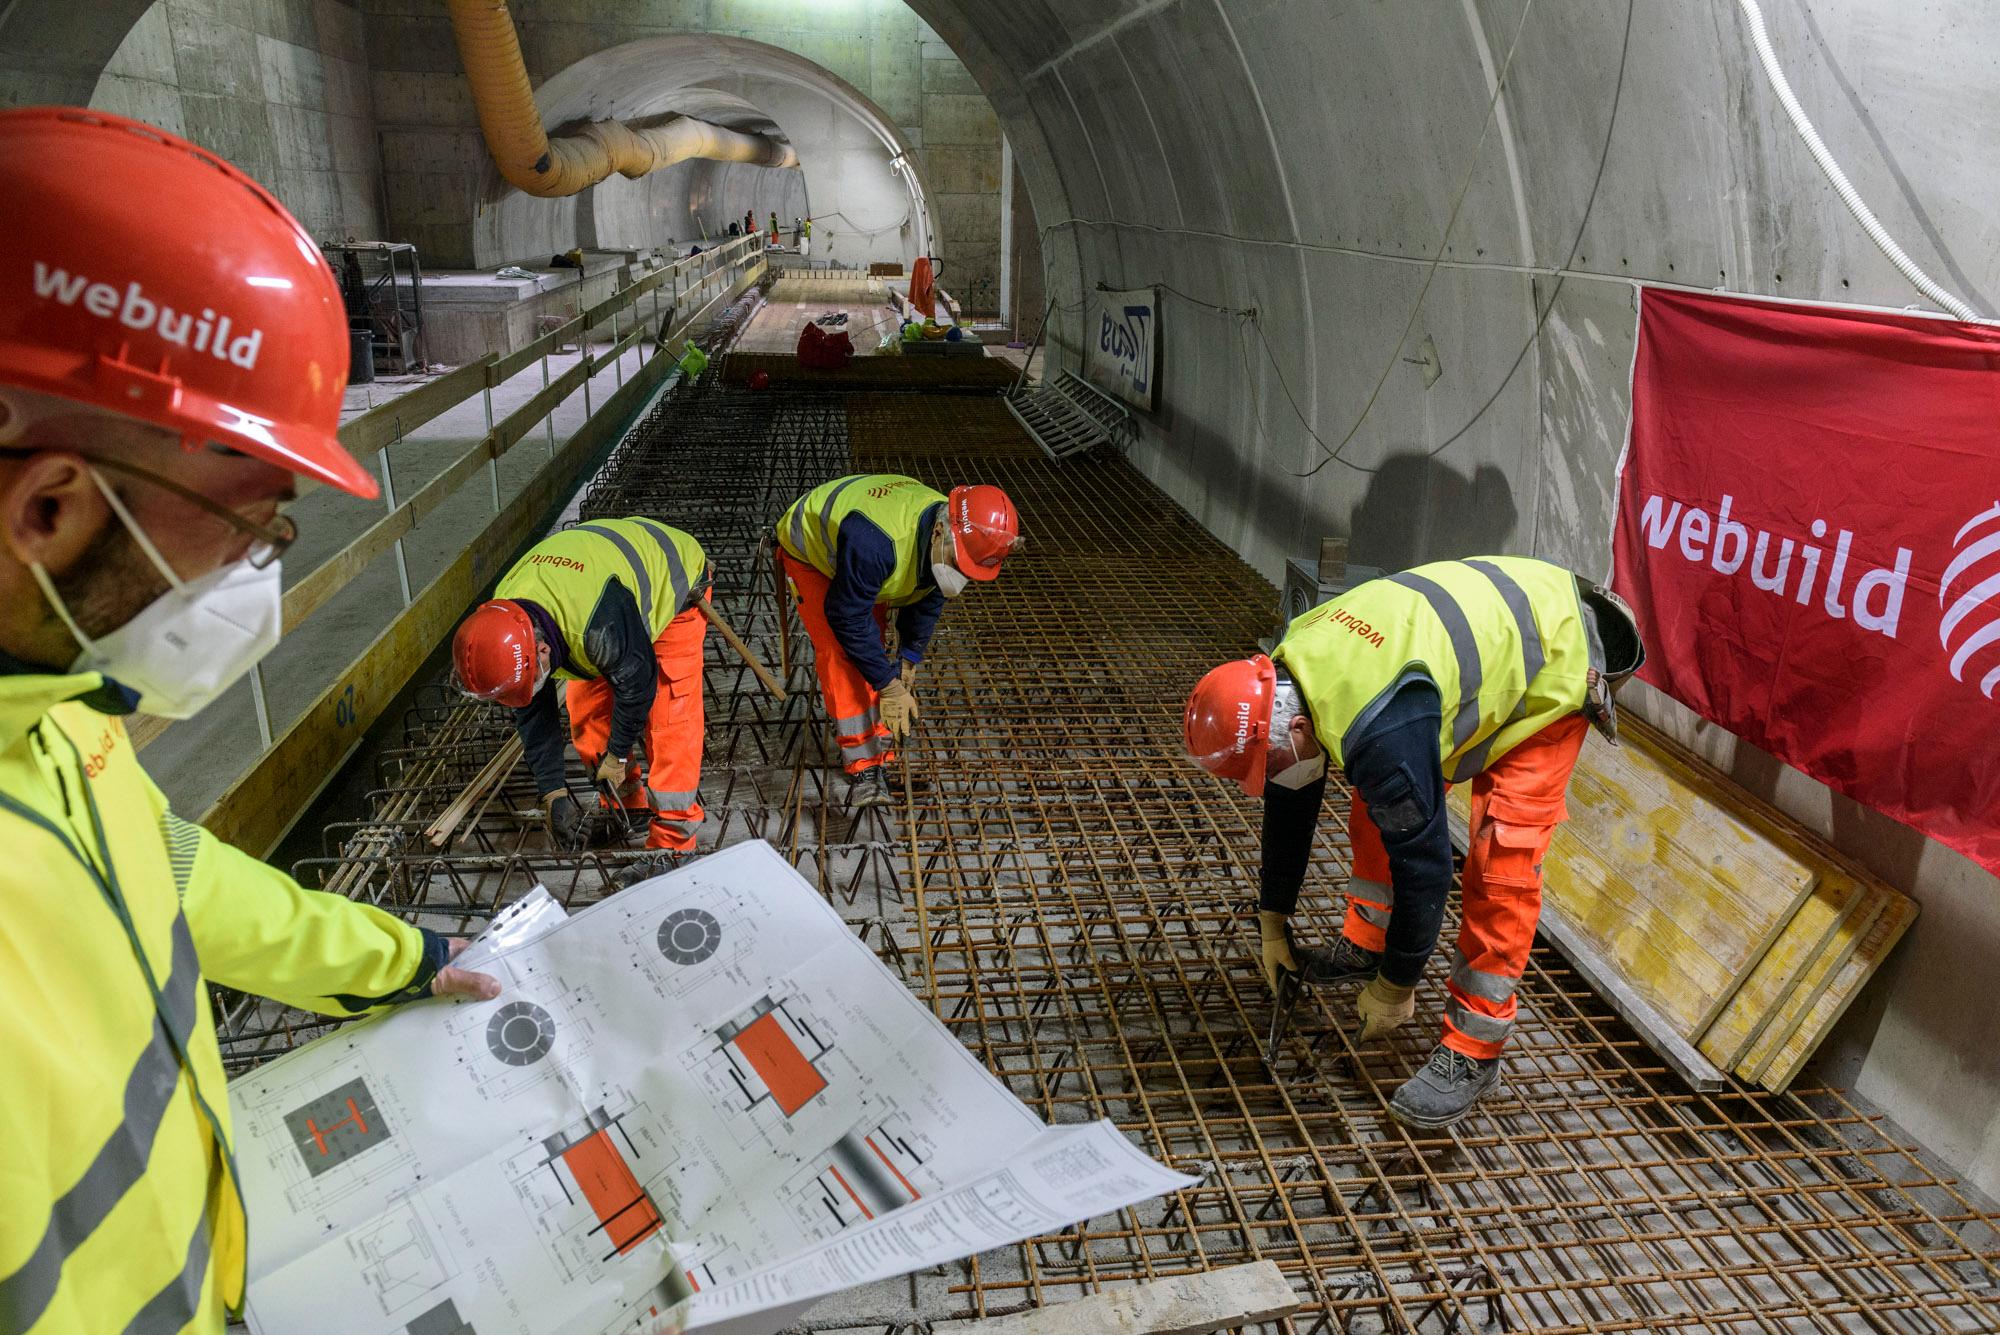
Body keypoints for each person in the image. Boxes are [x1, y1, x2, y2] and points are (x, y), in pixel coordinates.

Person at [0, 107, 500, 1335]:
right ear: (49, 510)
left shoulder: (54, 722)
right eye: (252, 520)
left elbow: (171, 879)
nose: (256, 569)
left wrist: (400, 962)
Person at [1183, 556, 1644, 1128]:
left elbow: (1426, 869)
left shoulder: (1378, 727)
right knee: (1381, 801)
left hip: (1557, 656)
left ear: (1296, 728)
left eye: (1270, 763)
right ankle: (1366, 940)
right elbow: (1290, 794)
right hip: (1460, 660)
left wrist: (1396, 989)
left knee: (1503, 858)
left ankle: (1475, 1048)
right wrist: (1272, 923)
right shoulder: (1291, 672)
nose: (1273, 777)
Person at [451, 519, 710, 872]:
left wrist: (617, 756)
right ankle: (628, 805)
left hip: (674, 578)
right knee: (586, 711)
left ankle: (673, 846)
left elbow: (638, 685)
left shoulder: (596, 626)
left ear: (542, 651)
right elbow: (532, 712)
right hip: (596, 589)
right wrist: (553, 794)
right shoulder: (507, 622)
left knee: (669, 718)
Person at [776, 476, 1018, 806]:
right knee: (842, 651)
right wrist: (888, 686)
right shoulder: (876, 544)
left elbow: (929, 594)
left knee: (871, 643)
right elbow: (847, 617)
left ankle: (876, 733)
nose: (959, 578)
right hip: (811, 547)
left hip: (867, 547)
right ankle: (864, 764)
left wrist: (907, 658)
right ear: (938, 533)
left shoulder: (950, 533)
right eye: (958, 565)